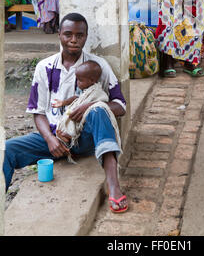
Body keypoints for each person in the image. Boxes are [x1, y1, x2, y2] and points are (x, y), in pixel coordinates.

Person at [3, 12, 128, 213]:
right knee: (6, 149)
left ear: (86, 37)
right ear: (59, 34)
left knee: (98, 109)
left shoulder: (97, 66)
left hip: (84, 139)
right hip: (53, 138)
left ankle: (113, 186)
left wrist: (89, 106)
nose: (73, 40)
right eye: (68, 34)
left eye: (80, 35)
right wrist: (50, 140)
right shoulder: (44, 67)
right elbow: (38, 112)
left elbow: (120, 105)